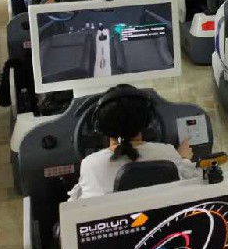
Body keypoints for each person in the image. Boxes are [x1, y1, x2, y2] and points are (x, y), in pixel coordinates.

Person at [68, 85, 201, 199]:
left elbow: (77, 205)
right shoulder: (167, 154)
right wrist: (184, 159)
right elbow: (194, 184)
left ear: (99, 126)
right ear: (147, 121)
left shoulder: (90, 165)